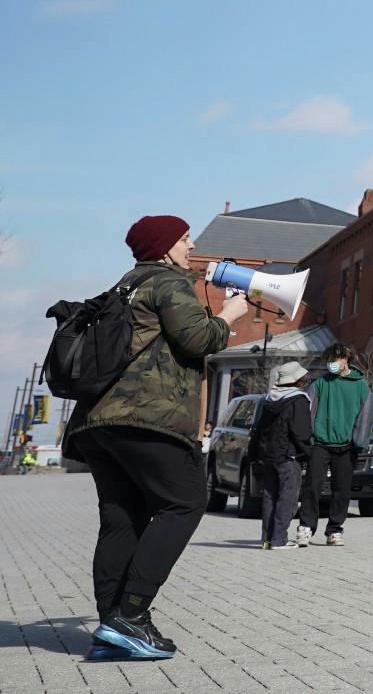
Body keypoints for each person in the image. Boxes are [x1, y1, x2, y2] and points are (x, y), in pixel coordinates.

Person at [66, 215, 249, 660]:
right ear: (166, 247)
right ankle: (131, 614)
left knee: (122, 517)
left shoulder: (125, 285)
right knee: (185, 502)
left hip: (98, 422)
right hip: (147, 418)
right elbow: (196, 338)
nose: (191, 246)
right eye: (185, 239)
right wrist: (228, 315)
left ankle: (112, 628)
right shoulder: (169, 283)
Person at [297, 344, 373, 547]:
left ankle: (335, 529)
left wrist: (359, 442)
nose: (332, 364)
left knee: (342, 490)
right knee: (312, 486)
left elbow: (365, 417)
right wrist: (309, 440)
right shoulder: (320, 384)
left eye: (336, 359)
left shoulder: (361, 386)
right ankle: (306, 526)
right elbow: (309, 412)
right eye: (329, 360)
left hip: (347, 446)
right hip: (320, 443)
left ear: (346, 359)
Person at [247, 361, 313, 550]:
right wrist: (308, 453)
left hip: (268, 455)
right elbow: (301, 433)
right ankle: (279, 540)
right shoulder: (298, 400)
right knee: (288, 499)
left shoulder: (269, 399)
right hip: (288, 456)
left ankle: (267, 539)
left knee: (270, 497)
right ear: (298, 380)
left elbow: (258, 428)